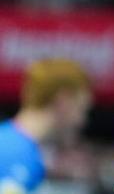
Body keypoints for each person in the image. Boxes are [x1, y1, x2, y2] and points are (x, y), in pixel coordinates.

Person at [0, 59, 92, 194]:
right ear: (63, 101)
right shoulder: (20, 155)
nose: (82, 121)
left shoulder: (11, 142)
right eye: (82, 110)